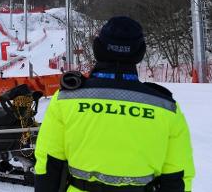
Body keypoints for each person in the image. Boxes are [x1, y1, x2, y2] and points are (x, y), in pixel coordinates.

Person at [34, 16, 195, 192]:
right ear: (140, 53)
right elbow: (177, 175)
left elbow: (48, 165)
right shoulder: (166, 107)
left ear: (98, 48)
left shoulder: (65, 100)